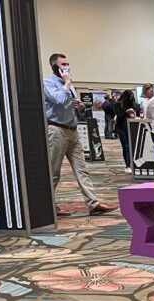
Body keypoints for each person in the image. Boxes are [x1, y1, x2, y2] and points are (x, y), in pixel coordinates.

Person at [42, 53, 117, 217]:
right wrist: (67, 83)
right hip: (57, 130)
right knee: (54, 172)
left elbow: (71, 104)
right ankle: (46, 206)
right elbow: (58, 100)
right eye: (63, 64)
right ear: (54, 66)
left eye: (67, 64)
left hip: (73, 130)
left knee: (82, 169)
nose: (67, 67)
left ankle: (93, 204)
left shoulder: (68, 83)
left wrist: (81, 106)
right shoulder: (48, 83)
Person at [113, 90, 138, 173]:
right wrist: (126, 112)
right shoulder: (117, 105)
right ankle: (127, 165)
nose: (130, 99)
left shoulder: (134, 104)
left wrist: (134, 113)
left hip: (132, 127)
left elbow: (138, 113)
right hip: (121, 127)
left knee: (132, 146)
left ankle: (131, 163)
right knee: (126, 146)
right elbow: (118, 115)